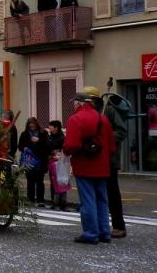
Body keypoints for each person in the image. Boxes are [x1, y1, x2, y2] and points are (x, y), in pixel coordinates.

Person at [63, 93, 115, 245]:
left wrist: (65, 152)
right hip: (102, 165)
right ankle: (105, 232)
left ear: (79, 104)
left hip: (85, 165)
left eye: (74, 103)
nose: (73, 106)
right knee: (102, 199)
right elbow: (111, 146)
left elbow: (72, 145)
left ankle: (91, 233)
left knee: (88, 200)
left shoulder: (76, 119)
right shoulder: (102, 118)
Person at [84, 85, 127, 239]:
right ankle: (98, 226)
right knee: (96, 193)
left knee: (112, 192)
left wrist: (103, 139)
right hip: (94, 158)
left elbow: (121, 131)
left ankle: (118, 226)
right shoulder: (92, 114)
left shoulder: (109, 111)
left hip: (109, 158)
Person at [18, 117, 49, 207]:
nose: (32, 128)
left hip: (40, 159)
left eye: (33, 126)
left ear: (36, 125)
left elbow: (47, 145)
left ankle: (40, 200)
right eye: (30, 127)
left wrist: (38, 141)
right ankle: (30, 199)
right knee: (30, 180)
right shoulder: (24, 134)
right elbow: (20, 145)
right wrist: (24, 148)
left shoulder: (43, 133)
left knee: (39, 181)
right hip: (29, 160)